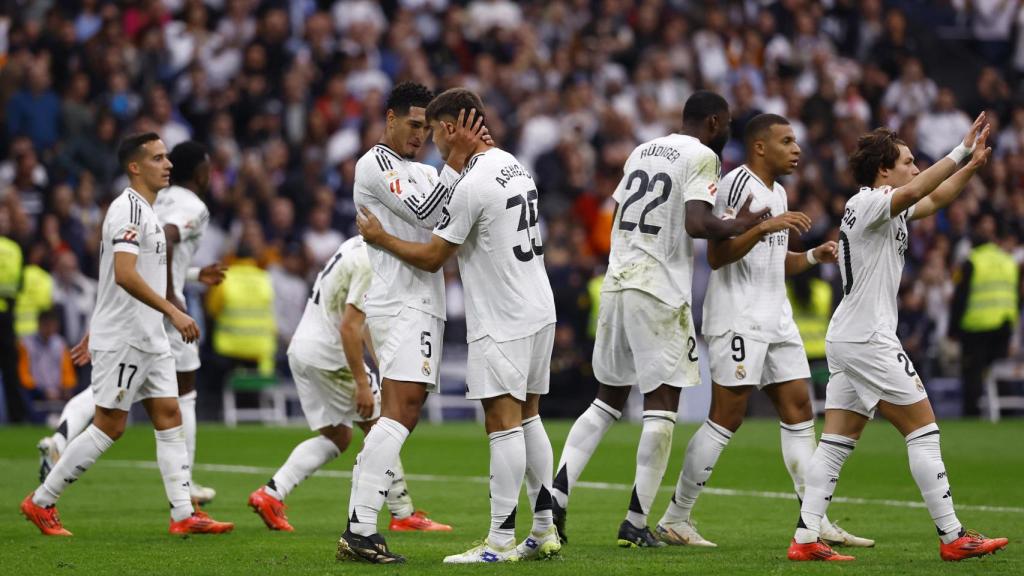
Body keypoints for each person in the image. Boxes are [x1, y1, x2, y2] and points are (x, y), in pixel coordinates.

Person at [551, 91, 768, 548]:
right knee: (662, 405)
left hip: (617, 280)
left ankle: (556, 499)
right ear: (713, 122)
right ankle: (635, 520)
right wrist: (745, 222)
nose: (727, 132)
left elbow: (624, 212)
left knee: (605, 401)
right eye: (726, 124)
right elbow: (696, 223)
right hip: (658, 288)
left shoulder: (642, 149)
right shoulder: (703, 157)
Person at [787, 116, 1008, 561]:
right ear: (884, 170)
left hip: (850, 336)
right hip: (869, 337)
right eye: (908, 161)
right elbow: (915, 190)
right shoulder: (870, 201)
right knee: (923, 429)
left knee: (836, 442)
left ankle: (806, 538)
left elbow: (935, 196)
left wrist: (971, 167)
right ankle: (952, 537)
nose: (915, 167)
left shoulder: (883, 204)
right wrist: (960, 151)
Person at [356, 91, 560, 564]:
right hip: (538, 306)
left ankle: (499, 541)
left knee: (502, 420)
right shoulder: (513, 163)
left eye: (433, 130)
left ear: (451, 129)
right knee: (530, 415)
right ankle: (545, 529)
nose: (429, 140)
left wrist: (382, 238)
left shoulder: (470, 182)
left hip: (502, 315)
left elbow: (432, 255)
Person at [653, 113, 872, 548]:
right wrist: (764, 225)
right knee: (727, 416)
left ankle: (815, 519)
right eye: (787, 141)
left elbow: (776, 259)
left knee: (799, 411)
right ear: (759, 146)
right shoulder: (736, 184)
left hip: (777, 318)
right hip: (738, 317)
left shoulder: (778, 191)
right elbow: (717, 255)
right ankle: (676, 517)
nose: (796, 149)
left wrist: (811, 258)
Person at [20, 132, 233, 536]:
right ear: (135, 167)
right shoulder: (128, 211)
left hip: (147, 335)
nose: (167, 164)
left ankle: (183, 513)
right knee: (110, 425)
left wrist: (186, 278)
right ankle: (41, 501)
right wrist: (173, 307)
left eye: (167, 157)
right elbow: (124, 274)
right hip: (129, 337)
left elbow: (132, 271)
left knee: (169, 416)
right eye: (157, 158)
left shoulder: (148, 210)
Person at [332, 81, 483, 564]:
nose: (420, 134)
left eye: (426, 127)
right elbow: (429, 213)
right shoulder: (374, 164)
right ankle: (359, 529)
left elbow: (445, 215)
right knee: (402, 411)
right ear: (391, 119)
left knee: (401, 413)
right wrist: (455, 164)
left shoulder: (418, 169)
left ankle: (360, 524)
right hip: (400, 301)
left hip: (421, 299)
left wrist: (452, 171)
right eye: (413, 124)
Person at [248, 235, 451, 533]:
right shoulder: (372, 260)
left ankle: (270, 494)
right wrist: (362, 382)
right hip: (331, 355)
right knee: (383, 424)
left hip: (305, 350)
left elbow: (360, 322)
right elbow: (349, 327)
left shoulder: (353, 245)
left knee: (337, 436)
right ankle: (403, 513)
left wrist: (381, 366)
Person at [949, 213, 1019, 417]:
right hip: (1004, 327)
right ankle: (1008, 413)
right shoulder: (1008, 261)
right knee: (998, 371)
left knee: (972, 374)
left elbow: (959, 298)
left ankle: (971, 414)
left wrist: (953, 329)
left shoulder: (971, 261)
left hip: (976, 326)